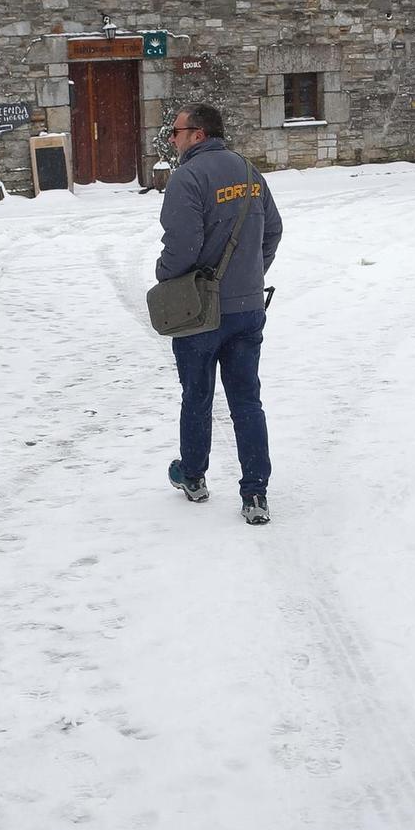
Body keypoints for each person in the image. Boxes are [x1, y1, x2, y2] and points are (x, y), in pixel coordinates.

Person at [156, 103, 283, 525]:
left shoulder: (187, 178)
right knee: (247, 400)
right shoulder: (250, 172)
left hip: (200, 312)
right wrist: (251, 274)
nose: (171, 138)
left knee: (198, 395)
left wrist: (165, 275)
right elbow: (273, 230)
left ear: (197, 134)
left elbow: (182, 248)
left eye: (176, 131)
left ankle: (193, 476)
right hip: (248, 308)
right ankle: (255, 493)